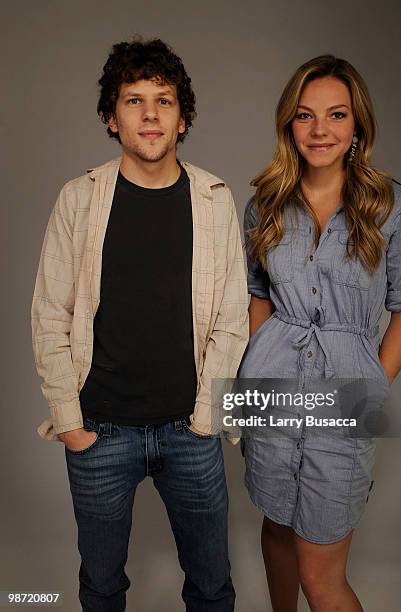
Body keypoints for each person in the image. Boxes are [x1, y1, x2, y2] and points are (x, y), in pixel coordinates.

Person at [31, 37, 248, 612]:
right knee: (101, 587)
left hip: (191, 430)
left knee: (211, 587)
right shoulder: (78, 200)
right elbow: (50, 314)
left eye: (164, 100)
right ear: (111, 116)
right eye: (134, 100)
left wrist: (208, 418)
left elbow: (231, 317)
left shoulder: (214, 200)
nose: (150, 114)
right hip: (99, 431)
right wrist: (70, 423)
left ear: (183, 119)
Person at [238, 55, 401, 612]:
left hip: (345, 395)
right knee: (276, 529)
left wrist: (369, 387)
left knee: (322, 574)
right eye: (305, 116)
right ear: (288, 125)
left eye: (336, 115)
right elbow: (258, 295)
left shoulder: (393, 204)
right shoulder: (263, 204)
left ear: (357, 126)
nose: (320, 130)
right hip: (272, 387)